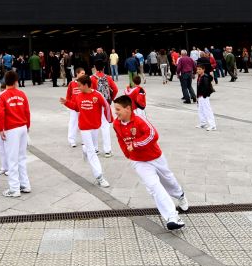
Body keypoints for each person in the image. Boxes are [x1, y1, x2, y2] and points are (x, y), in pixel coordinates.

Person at [111, 95, 188, 231]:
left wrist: (135, 144)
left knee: (168, 181)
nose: (115, 112)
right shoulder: (117, 124)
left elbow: (153, 135)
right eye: (115, 109)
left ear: (128, 108)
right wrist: (128, 154)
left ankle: (180, 195)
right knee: (154, 187)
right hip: (139, 161)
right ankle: (172, 217)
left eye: (118, 109)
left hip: (155, 157)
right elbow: (120, 140)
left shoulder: (140, 121)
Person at [62, 74, 112, 187]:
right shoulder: (79, 96)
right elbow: (76, 107)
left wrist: (109, 120)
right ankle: (99, 176)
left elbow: (107, 106)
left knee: (92, 148)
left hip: (95, 127)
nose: (78, 88)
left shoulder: (97, 95)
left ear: (86, 85)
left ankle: (85, 148)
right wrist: (66, 102)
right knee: (92, 152)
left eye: (79, 86)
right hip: (84, 128)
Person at [0, 70, 31, 197]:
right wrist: (27, 126)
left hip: (11, 129)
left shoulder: (2, 95)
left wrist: (0, 129)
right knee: (21, 157)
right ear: (16, 81)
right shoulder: (22, 93)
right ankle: (25, 185)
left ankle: (14, 188)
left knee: (12, 159)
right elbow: (27, 111)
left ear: (5, 81)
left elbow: (0, 113)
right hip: (22, 127)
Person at [91, 62, 118, 158]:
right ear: (103, 68)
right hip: (105, 103)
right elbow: (115, 89)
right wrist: (111, 99)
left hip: (95, 105)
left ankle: (95, 149)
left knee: (94, 127)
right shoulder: (108, 78)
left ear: (95, 67)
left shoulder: (92, 78)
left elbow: (90, 91)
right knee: (105, 126)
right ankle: (107, 150)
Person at [63, 68, 87, 147]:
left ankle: (84, 140)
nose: (84, 75)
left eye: (84, 73)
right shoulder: (72, 84)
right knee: (73, 123)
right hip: (73, 107)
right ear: (77, 73)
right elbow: (68, 95)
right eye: (82, 73)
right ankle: (71, 140)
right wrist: (68, 105)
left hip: (83, 107)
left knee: (83, 124)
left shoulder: (85, 83)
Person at [195, 64, 216, 130]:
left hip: (204, 96)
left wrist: (204, 95)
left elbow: (207, 88)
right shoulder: (199, 76)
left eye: (199, 69)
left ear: (203, 70)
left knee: (207, 110)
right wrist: (197, 96)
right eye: (197, 69)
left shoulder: (205, 77)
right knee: (200, 110)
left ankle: (212, 125)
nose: (198, 70)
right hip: (200, 96)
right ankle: (203, 123)